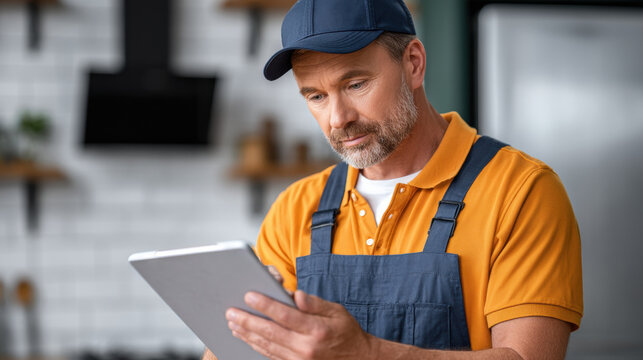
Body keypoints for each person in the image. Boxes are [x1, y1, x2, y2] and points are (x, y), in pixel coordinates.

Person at [204, 0, 583, 358]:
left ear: (414, 64)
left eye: (355, 85)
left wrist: (369, 355)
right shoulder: (295, 209)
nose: (338, 118)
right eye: (316, 96)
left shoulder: (520, 192)